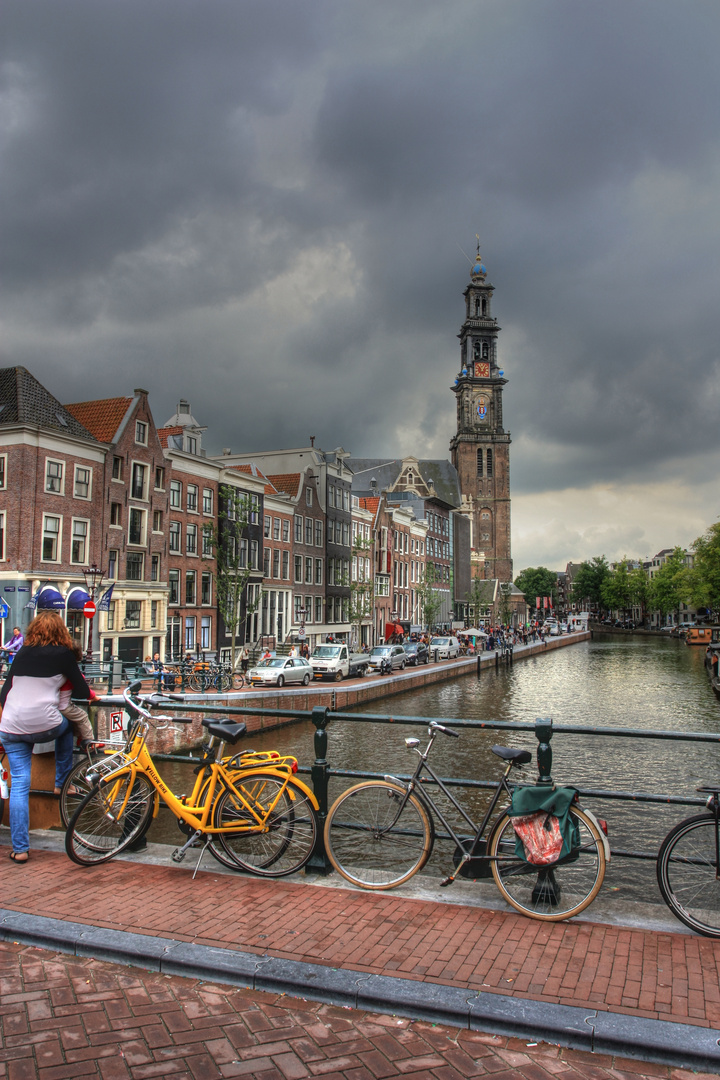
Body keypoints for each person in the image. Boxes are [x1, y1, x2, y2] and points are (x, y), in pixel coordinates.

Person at [0, 610, 91, 863]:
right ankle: (62, 782)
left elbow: (4, 693)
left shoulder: (22, 653)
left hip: (11, 726)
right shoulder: (63, 655)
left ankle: (20, 849)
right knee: (66, 726)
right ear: (61, 631)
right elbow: (82, 691)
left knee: (19, 785)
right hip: (44, 725)